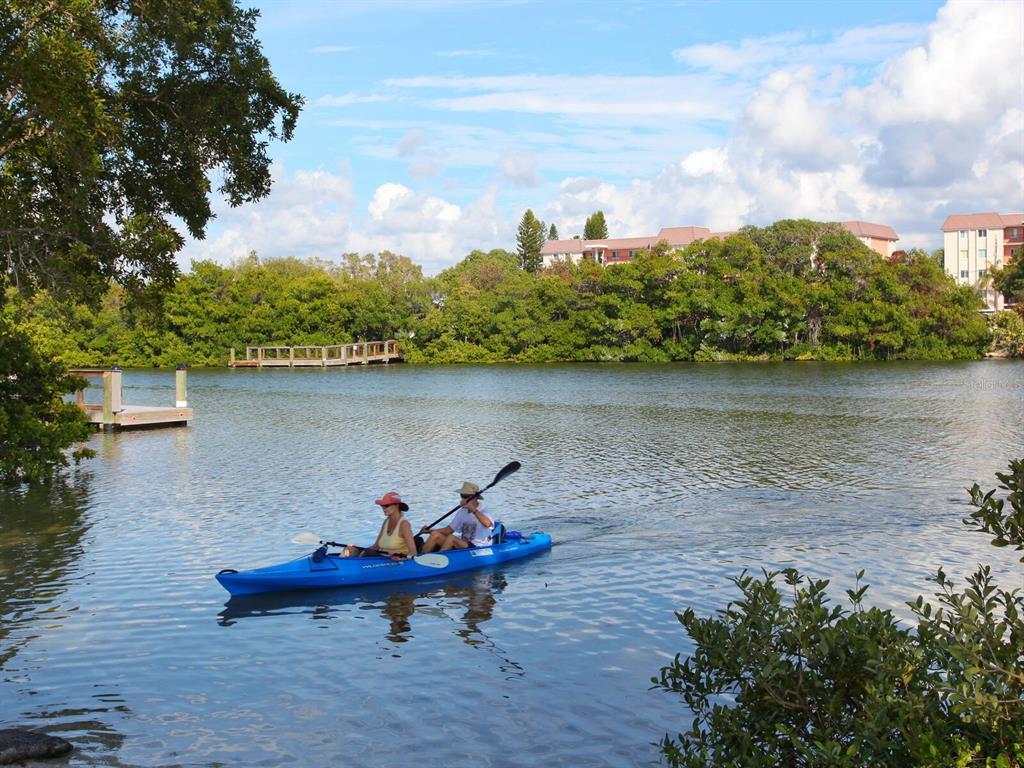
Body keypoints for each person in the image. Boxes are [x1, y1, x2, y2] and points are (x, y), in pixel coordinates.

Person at [419, 482, 494, 553]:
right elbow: (449, 530)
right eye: (462, 496)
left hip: (479, 546)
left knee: (451, 538)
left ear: (475, 498)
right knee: (435, 534)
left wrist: (473, 509)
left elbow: (488, 524)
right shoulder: (462, 512)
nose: (463, 499)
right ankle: (420, 558)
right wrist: (429, 531)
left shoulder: (484, 510)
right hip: (464, 544)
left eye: (466, 497)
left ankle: (439, 559)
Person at [342, 492, 418, 560]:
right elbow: (376, 546)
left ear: (397, 506)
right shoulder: (386, 522)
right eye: (382, 506)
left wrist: (401, 557)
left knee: (364, 553)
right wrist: (358, 549)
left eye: (386, 505)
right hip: (381, 556)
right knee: (350, 549)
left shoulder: (404, 524)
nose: (383, 509)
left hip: (394, 560)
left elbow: (413, 553)